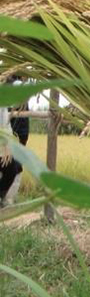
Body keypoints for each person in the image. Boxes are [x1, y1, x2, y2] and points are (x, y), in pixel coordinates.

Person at [0, 77, 30, 207]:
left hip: (6, 139)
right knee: (11, 170)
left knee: (12, 170)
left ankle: (3, 197)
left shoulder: (7, 85)